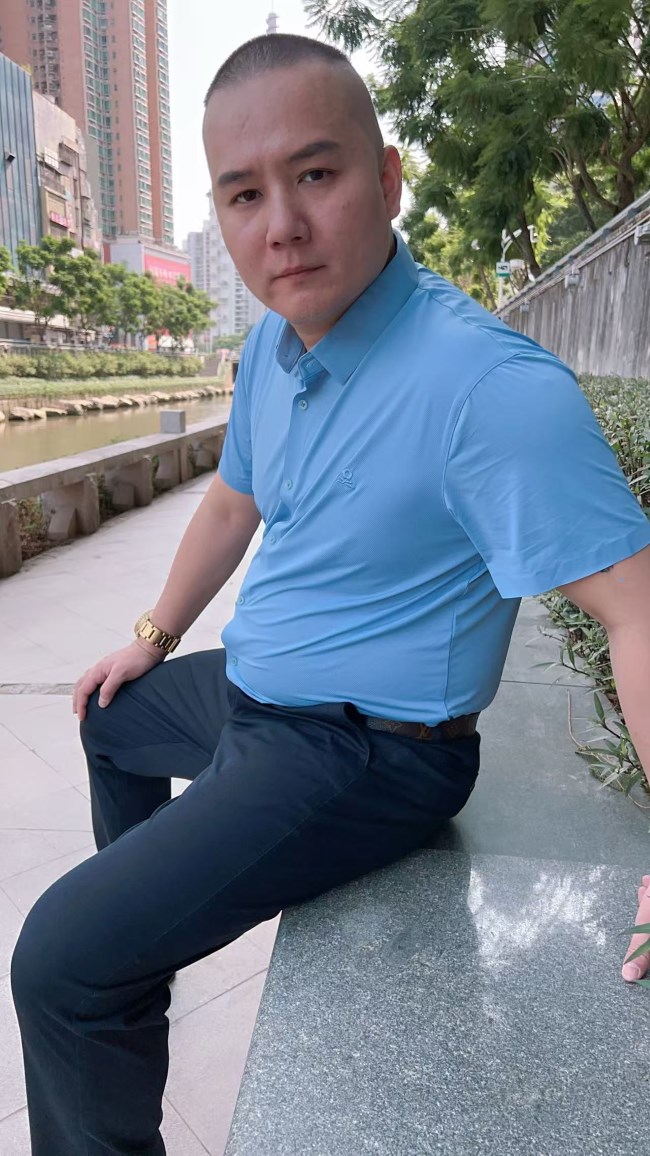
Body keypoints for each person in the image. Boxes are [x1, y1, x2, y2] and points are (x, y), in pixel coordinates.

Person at [11, 32, 650, 1156]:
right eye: (244, 194)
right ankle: (138, 957)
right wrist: (153, 636)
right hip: (260, 701)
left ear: (387, 178)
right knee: (111, 715)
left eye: (315, 173)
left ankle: (110, 967)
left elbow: (637, 609)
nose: (282, 226)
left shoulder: (485, 386)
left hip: (370, 752)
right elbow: (231, 502)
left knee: (59, 960)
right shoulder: (272, 347)